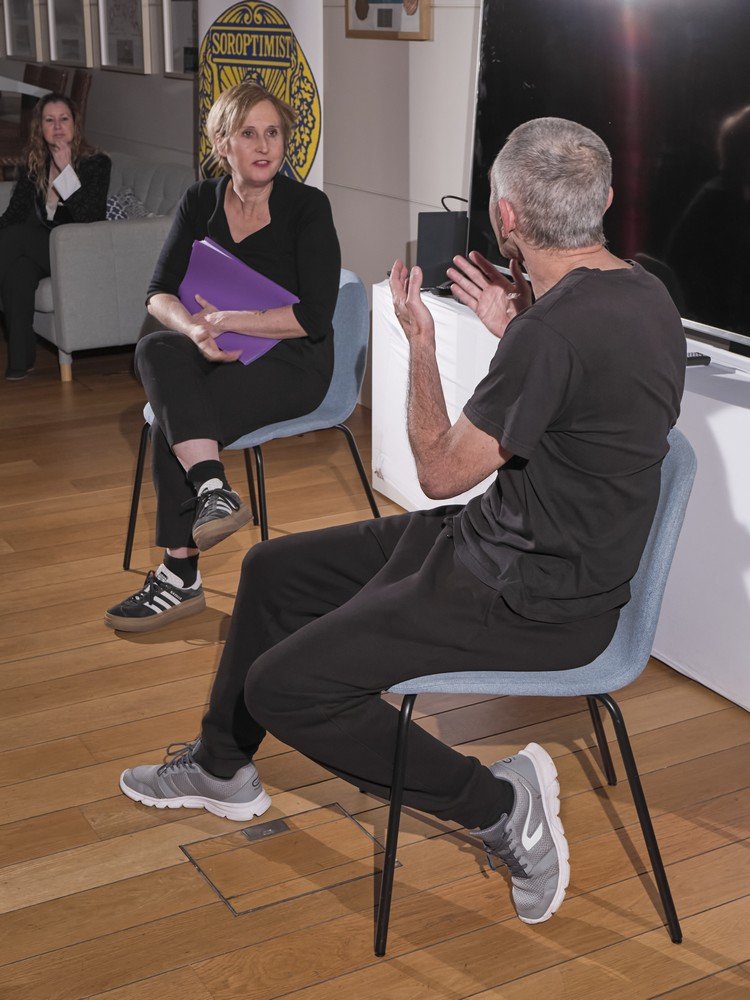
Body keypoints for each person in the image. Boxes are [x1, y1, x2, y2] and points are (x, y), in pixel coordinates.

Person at [119, 118, 685, 926]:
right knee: (270, 569)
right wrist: (516, 327)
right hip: (507, 544)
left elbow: (437, 470)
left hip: (530, 599)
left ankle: (500, 806)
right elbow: (577, 401)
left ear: (507, 218)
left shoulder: (552, 333)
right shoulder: (646, 293)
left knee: (283, 688)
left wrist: (419, 341)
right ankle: (221, 766)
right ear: (605, 200)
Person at [105, 81, 340, 632]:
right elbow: (158, 293)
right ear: (222, 144)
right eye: (248, 133)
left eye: (273, 132)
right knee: (155, 347)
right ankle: (213, 488)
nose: (264, 145)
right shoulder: (199, 202)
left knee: (175, 420)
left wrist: (228, 320)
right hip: (214, 348)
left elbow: (313, 317)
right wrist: (194, 328)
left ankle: (178, 576)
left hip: (292, 361)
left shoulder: (308, 207)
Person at [0, 92, 110, 380]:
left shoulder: (97, 163)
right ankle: (21, 361)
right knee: (19, 271)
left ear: (75, 124)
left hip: (77, 250)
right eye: (50, 120)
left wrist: (66, 171)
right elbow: (13, 214)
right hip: (42, 249)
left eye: (64, 119)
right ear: (40, 127)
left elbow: (90, 217)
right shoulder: (35, 163)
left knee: (18, 237)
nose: (58, 126)